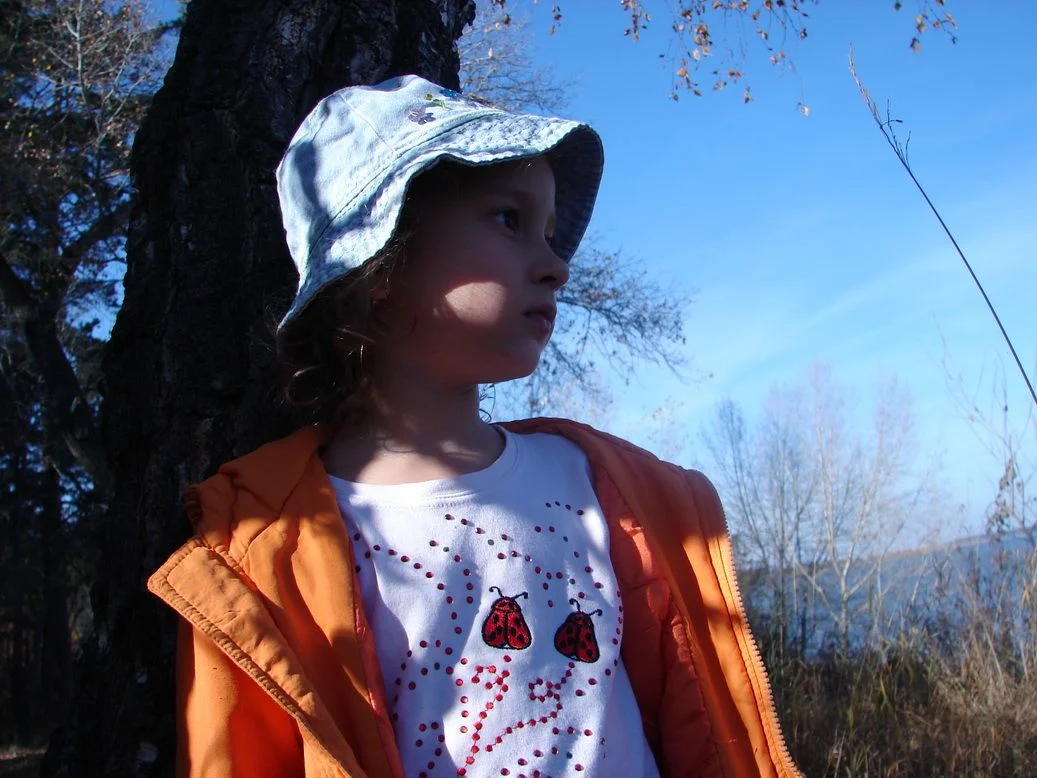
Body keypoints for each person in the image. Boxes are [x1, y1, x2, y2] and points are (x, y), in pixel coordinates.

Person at [148, 75, 799, 778]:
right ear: (381, 266)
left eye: (549, 234)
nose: (556, 267)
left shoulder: (606, 490)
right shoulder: (267, 550)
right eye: (509, 220)